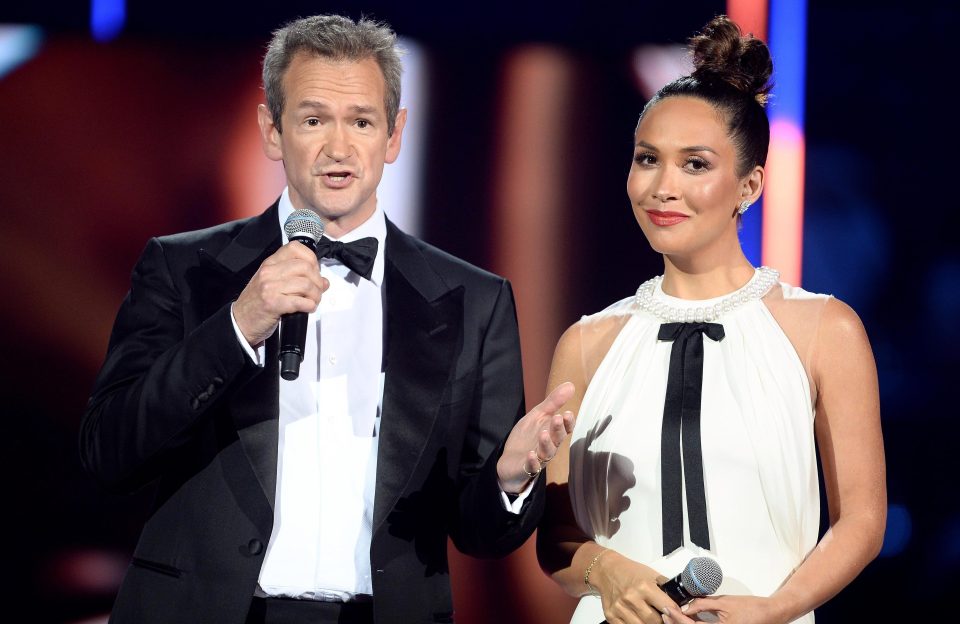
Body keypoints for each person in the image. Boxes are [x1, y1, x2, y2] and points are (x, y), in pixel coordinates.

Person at [80, 14, 574, 624]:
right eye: (314, 120)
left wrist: (508, 478)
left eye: (361, 122)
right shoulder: (183, 268)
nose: (338, 148)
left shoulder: (474, 298)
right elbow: (111, 452)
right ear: (272, 129)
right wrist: (237, 326)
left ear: (393, 136)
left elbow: (480, 535)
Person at [536, 15, 886, 624]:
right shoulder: (589, 342)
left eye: (695, 165)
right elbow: (557, 537)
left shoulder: (824, 330)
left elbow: (861, 521)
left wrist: (777, 608)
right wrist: (608, 571)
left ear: (749, 185)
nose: (663, 187)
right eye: (648, 159)